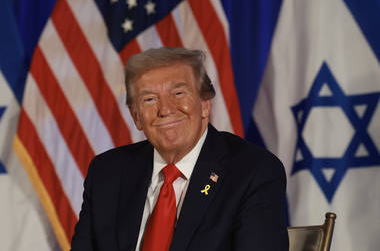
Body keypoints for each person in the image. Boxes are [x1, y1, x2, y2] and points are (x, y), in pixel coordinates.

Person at [70, 47, 289, 251]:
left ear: (205, 104)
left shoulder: (253, 172)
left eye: (178, 94)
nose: (165, 109)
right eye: (149, 99)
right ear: (136, 116)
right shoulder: (107, 173)